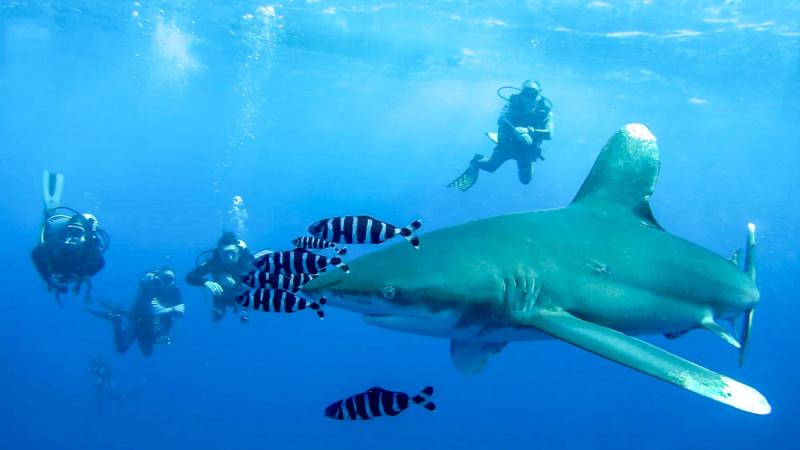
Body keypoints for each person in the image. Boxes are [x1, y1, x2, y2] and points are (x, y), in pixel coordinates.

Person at [448, 80, 554, 191]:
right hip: (508, 145)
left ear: (539, 93)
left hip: (527, 150)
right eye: (526, 93)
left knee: (525, 180)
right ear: (522, 92)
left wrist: (529, 131)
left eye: (532, 93)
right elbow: (502, 120)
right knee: (490, 167)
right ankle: (477, 162)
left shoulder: (546, 112)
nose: (528, 97)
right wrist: (517, 132)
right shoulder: (513, 104)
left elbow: (549, 134)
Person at [31, 171, 108, 302]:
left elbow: (100, 264)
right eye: (70, 231)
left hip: (71, 270)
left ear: (85, 237)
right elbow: (36, 253)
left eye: (77, 233)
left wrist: (83, 276)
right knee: (49, 220)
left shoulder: (91, 250)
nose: (71, 237)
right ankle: (50, 213)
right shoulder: (56, 241)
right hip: (57, 263)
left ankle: (51, 213)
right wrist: (48, 277)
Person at [85, 267, 185, 356]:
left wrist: (164, 311)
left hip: (154, 324)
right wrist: (168, 310)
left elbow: (181, 311)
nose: (167, 282)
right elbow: (147, 306)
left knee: (146, 352)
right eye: (165, 278)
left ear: (174, 280)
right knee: (121, 348)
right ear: (160, 278)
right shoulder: (151, 285)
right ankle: (116, 320)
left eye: (170, 279)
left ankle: (116, 315)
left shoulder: (175, 290)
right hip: (138, 320)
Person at [186, 231, 255, 323]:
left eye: (233, 253)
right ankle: (220, 312)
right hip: (222, 294)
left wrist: (236, 286)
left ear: (239, 251)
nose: (230, 258)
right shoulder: (214, 262)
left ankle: (242, 309)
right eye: (225, 254)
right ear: (219, 252)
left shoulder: (245, 261)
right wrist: (205, 282)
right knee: (218, 313)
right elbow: (189, 277)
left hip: (241, 292)